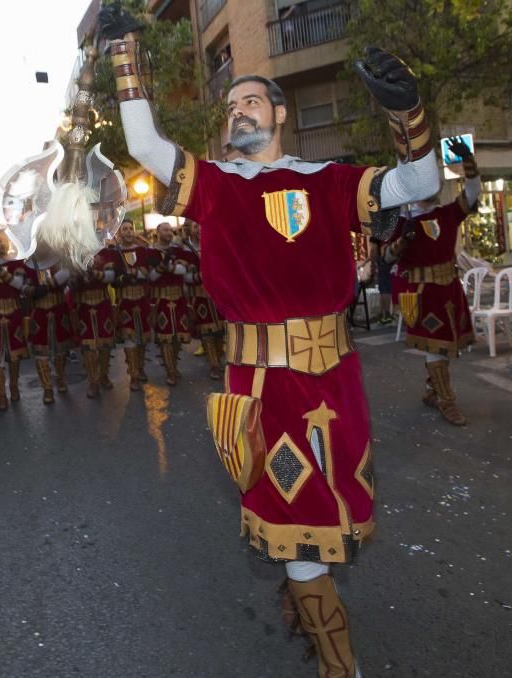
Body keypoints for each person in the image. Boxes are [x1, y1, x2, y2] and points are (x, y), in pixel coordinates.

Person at [102, 7, 439, 672]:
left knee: (324, 523)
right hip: (259, 386)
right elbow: (145, 147)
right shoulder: (216, 187)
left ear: (280, 115)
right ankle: (341, 664)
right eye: (231, 106)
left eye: (252, 100)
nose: (238, 112)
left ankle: (301, 595)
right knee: (303, 541)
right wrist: (123, 58)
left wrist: (412, 118)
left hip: (335, 380)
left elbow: (423, 182)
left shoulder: (331, 181)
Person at [385, 137, 480, 426]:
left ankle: (431, 389)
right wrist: (402, 242)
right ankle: (446, 400)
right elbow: (387, 257)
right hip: (420, 292)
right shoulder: (398, 221)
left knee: (446, 345)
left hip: (449, 290)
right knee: (434, 346)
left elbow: (473, 193)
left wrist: (469, 164)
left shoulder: (448, 213)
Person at [0, 229, 33, 410]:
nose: (2, 243)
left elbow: (19, 284)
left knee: (14, 356)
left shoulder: (17, 263)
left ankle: (13, 387)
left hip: (13, 313)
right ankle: (1, 394)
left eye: (4, 240)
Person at [72, 245, 121, 398]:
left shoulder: (105, 252)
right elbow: (67, 283)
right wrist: (77, 276)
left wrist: (93, 273)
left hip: (102, 303)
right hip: (83, 306)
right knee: (88, 347)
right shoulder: (72, 253)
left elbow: (111, 277)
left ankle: (104, 375)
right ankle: (93, 381)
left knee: (105, 344)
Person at [180, 221, 225, 380]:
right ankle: (214, 365)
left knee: (220, 331)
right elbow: (184, 276)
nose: (199, 229)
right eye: (195, 227)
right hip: (198, 296)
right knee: (207, 332)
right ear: (190, 231)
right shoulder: (185, 251)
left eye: (200, 226)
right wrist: (201, 276)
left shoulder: (213, 246)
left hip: (217, 295)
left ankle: (219, 361)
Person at [26, 260, 74, 405]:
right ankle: (47, 387)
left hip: (58, 309)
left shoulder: (58, 258)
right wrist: (31, 290)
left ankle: (60, 378)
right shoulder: (27, 264)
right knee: (41, 353)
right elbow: (21, 285)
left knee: (60, 350)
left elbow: (69, 271)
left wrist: (48, 284)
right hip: (39, 312)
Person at [150, 221, 192, 385]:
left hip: (179, 297)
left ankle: (173, 365)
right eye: (165, 230)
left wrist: (168, 268)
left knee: (178, 337)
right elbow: (152, 277)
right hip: (161, 299)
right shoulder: (150, 251)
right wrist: (165, 267)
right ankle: (170, 371)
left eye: (170, 230)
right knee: (165, 338)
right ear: (158, 232)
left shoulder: (178, 251)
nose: (168, 232)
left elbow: (184, 271)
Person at [114, 220, 153, 390]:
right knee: (129, 338)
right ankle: (134, 374)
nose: (129, 232)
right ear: (120, 233)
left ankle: (141, 366)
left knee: (142, 338)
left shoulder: (143, 250)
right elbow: (112, 278)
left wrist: (137, 273)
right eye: (125, 229)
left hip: (141, 299)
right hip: (125, 302)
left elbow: (149, 271)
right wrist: (122, 277)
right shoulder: (114, 253)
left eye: (131, 228)